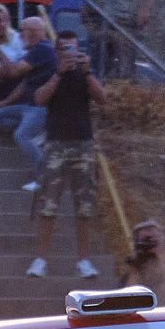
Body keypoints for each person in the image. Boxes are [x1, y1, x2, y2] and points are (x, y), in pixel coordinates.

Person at [26, 31, 107, 279]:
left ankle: (83, 260)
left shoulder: (85, 72)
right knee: (48, 204)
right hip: (56, 145)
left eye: (74, 48)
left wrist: (88, 72)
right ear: (57, 51)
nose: (70, 54)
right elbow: (39, 99)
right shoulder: (52, 72)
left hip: (83, 144)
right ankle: (40, 259)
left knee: (84, 206)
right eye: (65, 49)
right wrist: (59, 73)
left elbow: (102, 98)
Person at [0, 14, 53, 186]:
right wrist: (3, 103)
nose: (19, 35)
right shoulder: (34, 52)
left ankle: (43, 177)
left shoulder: (43, 49)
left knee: (22, 136)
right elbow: (24, 84)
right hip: (28, 106)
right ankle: (36, 131)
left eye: (22, 31)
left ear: (33, 32)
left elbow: (13, 72)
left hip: (41, 108)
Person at [117, 219, 165, 293]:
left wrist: (161, 266)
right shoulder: (130, 277)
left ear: (163, 245)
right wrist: (134, 270)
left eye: (153, 242)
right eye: (144, 242)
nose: (149, 247)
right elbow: (127, 296)